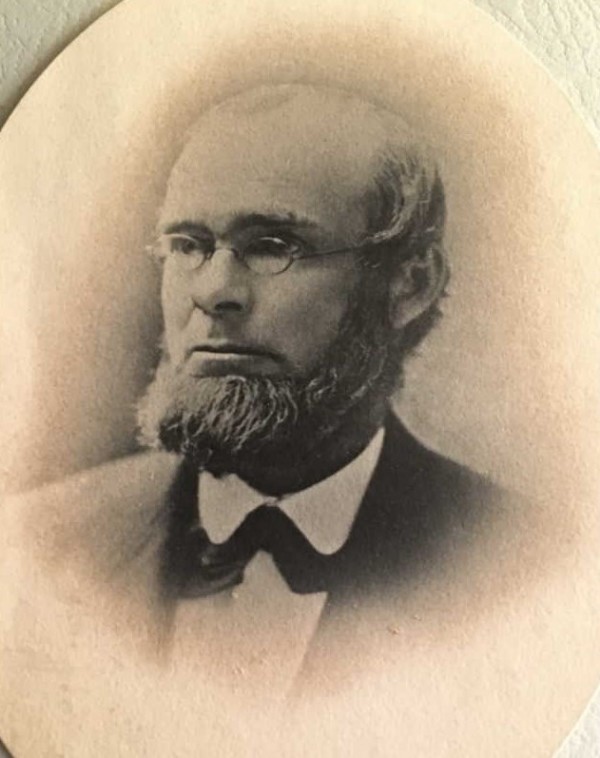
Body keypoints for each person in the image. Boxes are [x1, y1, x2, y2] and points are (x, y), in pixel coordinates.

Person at [2, 84, 598, 755]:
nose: (213, 291)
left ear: (409, 284)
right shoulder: (30, 547)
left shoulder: (532, 574)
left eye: (272, 245)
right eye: (189, 244)